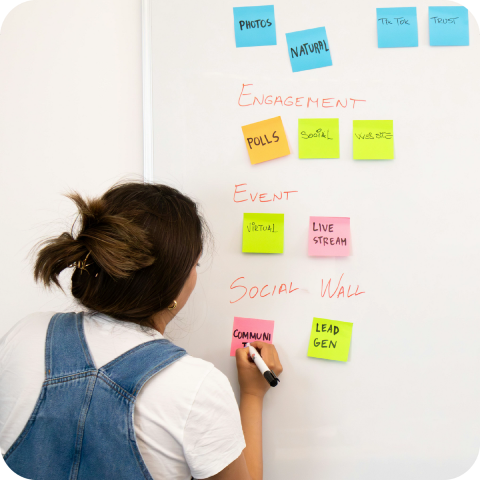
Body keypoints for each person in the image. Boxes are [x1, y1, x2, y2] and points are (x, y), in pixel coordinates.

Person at [0, 182, 283, 480]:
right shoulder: (196, 387)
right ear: (174, 284)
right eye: (195, 264)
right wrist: (252, 394)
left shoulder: (26, 335)